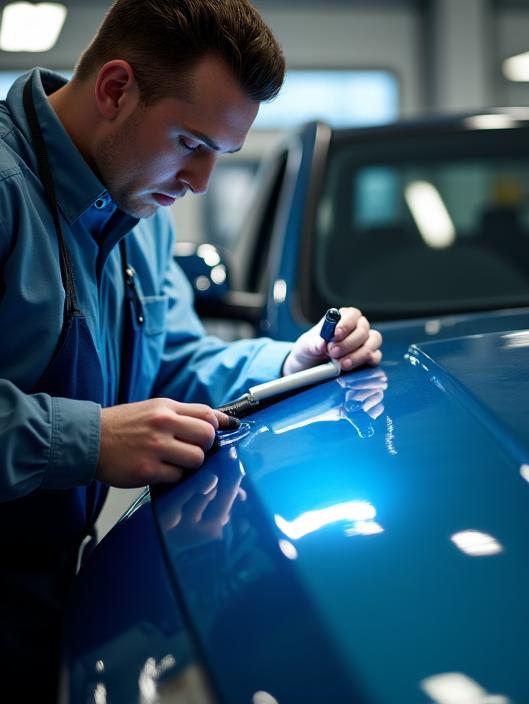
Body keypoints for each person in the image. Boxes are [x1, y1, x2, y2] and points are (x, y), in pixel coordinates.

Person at [0, 0, 383, 697]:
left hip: (43, 596)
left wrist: (287, 363)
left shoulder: (138, 208)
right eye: (190, 142)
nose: (200, 183)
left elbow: (176, 359)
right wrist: (83, 440)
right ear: (116, 89)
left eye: (221, 154)